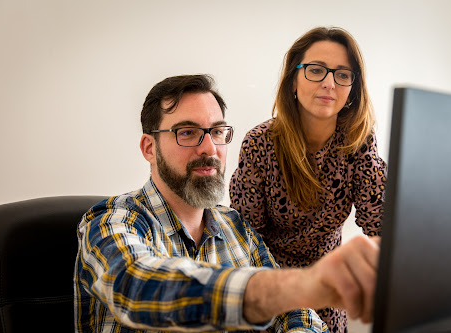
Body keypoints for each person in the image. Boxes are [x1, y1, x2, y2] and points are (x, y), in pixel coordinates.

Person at [74, 74, 380, 332]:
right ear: (150, 148)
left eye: (217, 132)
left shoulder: (236, 226)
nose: (209, 148)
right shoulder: (111, 221)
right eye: (188, 132)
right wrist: (301, 284)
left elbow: (296, 313)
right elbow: (138, 287)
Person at [229, 27, 387, 332]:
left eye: (342, 74)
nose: (329, 83)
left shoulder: (359, 142)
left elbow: (380, 224)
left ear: (353, 88)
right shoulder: (259, 143)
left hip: (328, 291)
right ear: (293, 80)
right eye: (316, 70)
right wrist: (285, 291)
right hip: (271, 287)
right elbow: (247, 239)